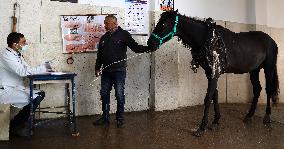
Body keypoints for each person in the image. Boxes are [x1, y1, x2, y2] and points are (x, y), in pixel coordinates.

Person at [94, 15, 151, 128]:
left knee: (119, 95)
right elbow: (100, 55)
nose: (105, 25)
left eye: (107, 23)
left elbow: (135, 47)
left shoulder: (123, 34)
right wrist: (97, 67)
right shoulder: (104, 37)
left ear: (115, 23)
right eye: (105, 23)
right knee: (104, 94)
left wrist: (148, 48)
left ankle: (119, 118)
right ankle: (105, 118)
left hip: (119, 71)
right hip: (106, 72)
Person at [0, 32, 53, 137]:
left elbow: (27, 69)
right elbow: (22, 72)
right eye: (23, 42)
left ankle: (16, 124)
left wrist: (44, 68)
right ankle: (15, 126)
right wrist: (44, 68)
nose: (26, 44)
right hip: (5, 90)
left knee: (40, 93)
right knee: (36, 97)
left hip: (15, 88)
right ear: (15, 44)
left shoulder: (17, 54)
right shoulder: (6, 55)